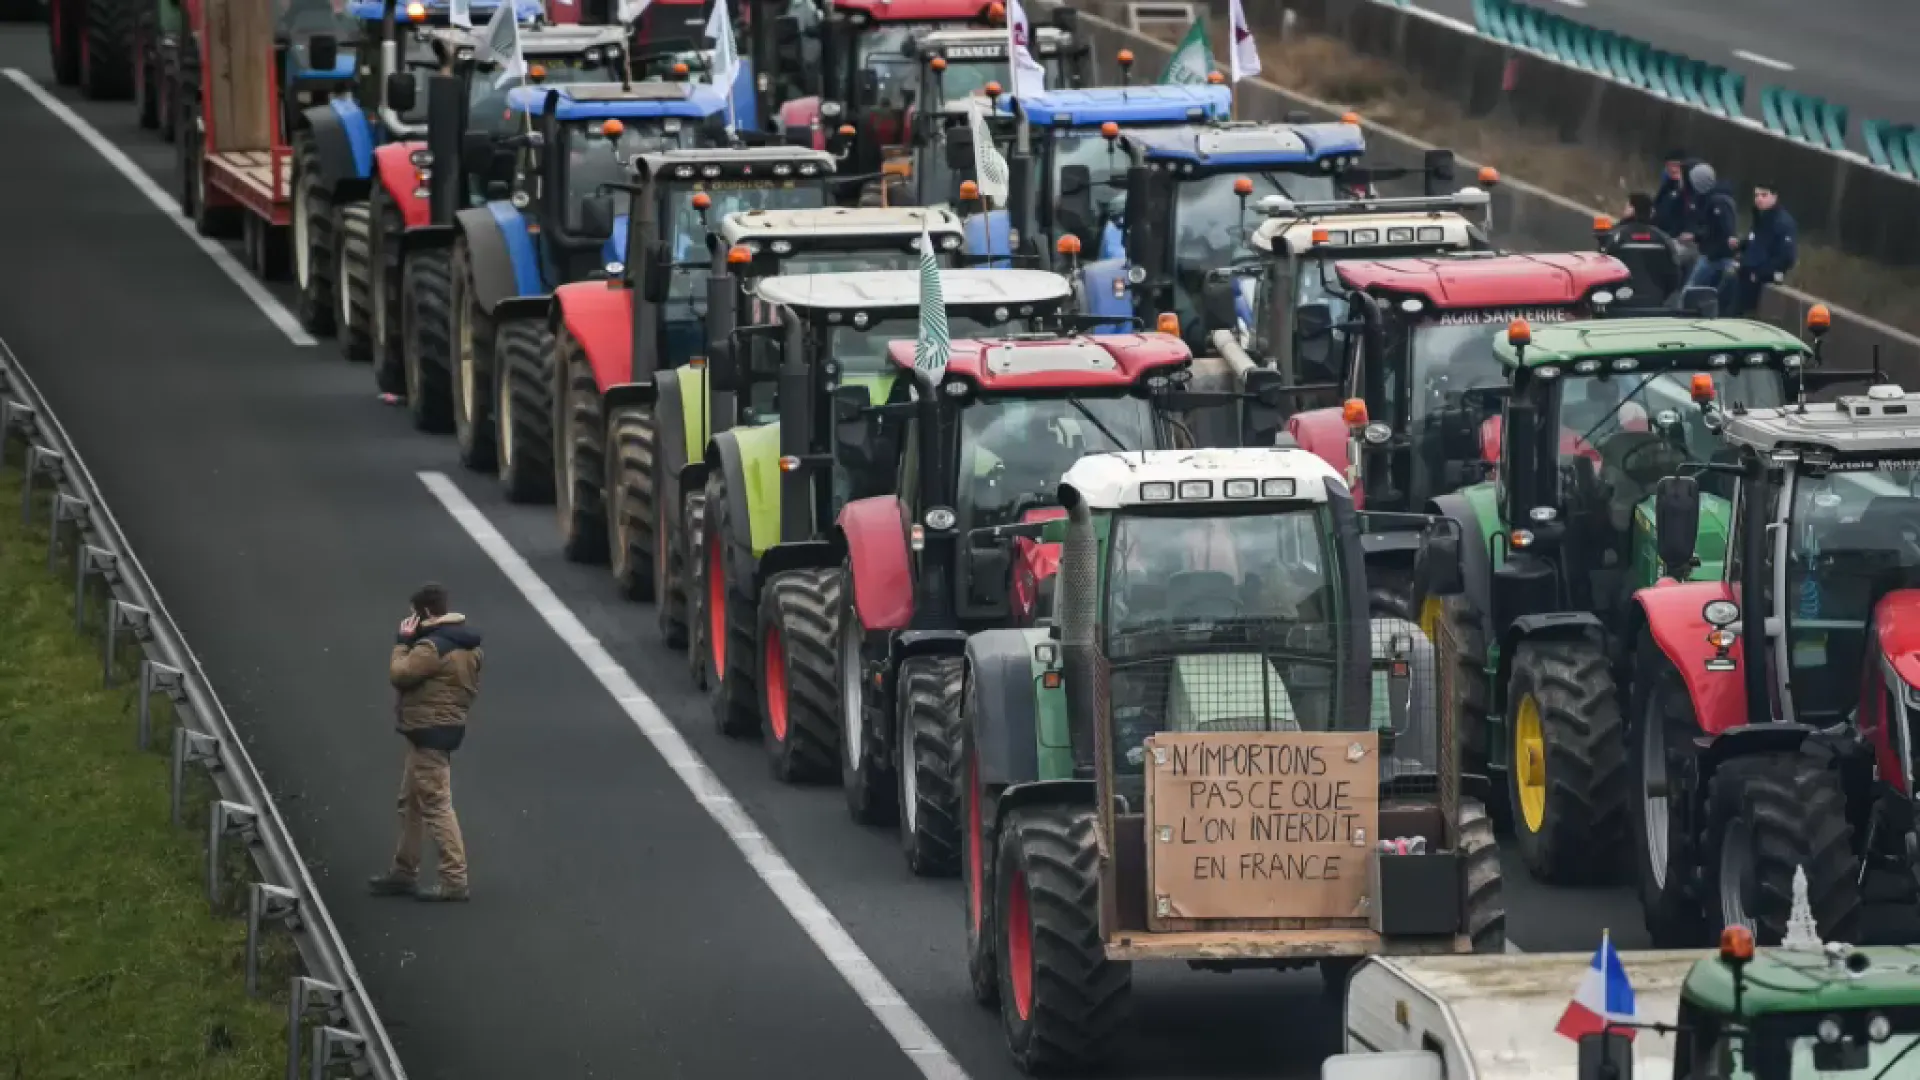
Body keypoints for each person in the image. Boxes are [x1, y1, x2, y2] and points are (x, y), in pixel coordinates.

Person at [369, 583, 481, 902]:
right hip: (444, 727)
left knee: (435, 803)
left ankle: (454, 879)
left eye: (412, 615)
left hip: (428, 731)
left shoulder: (433, 648)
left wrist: (402, 643)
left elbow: (400, 674)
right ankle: (404, 871)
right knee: (411, 801)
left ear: (426, 613)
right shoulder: (467, 645)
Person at [1725, 184, 1798, 318]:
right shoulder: (1760, 217)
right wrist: (1741, 244)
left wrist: (1759, 273)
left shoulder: (1783, 222)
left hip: (1758, 280)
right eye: (1756, 195)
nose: (1759, 199)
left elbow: (1787, 257)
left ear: (1774, 196)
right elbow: (1755, 241)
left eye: (1764, 195)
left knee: (1738, 317)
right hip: (1744, 274)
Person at [1602, 192, 1683, 310]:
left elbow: (1603, 272)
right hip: (1655, 303)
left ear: (1632, 210)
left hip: (1621, 304)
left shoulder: (1617, 236)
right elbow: (1675, 275)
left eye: (1626, 206)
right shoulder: (1663, 238)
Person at [1682, 162, 1740, 295]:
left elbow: (1721, 230)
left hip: (1714, 256)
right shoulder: (1712, 199)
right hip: (1717, 254)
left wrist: (1697, 237)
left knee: (1690, 290)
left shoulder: (1718, 202)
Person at [1651, 150, 1693, 237]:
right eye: (1669, 165)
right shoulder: (1667, 185)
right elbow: (1655, 206)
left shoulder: (1690, 188)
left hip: (1679, 237)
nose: (1672, 169)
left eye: (1676, 165)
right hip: (1661, 234)